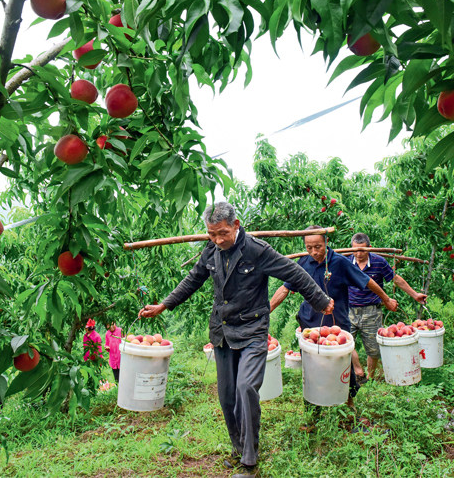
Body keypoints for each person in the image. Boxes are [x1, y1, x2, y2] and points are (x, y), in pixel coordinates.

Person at [139, 202, 334, 478]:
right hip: (222, 331)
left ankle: (250, 462)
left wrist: (320, 300)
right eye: (211, 234)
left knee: (246, 388)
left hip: (253, 330)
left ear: (236, 225)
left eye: (223, 233)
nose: (218, 240)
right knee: (227, 396)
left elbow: (294, 273)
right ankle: (238, 447)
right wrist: (164, 304)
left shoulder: (257, 250)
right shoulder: (211, 251)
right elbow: (193, 279)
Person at [269, 226, 398, 409]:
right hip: (310, 323)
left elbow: (367, 281)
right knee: (312, 365)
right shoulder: (303, 263)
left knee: (342, 364)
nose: (314, 252)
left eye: (318, 247)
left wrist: (386, 299)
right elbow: (285, 289)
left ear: (326, 242)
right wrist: (267, 310)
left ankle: (349, 403)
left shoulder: (339, 262)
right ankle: (313, 407)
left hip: (336, 323)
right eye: (309, 247)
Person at [348, 233, 427, 381]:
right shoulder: (346, 262)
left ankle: (370, 378)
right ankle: (358, 371)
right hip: (349, 309)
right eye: (355, 250)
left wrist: (415, 295)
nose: (358, 254)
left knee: (373, 348)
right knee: (346, 344)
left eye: (362, 250)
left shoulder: (379, 262)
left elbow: (395, 279)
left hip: (372, 311)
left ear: (370, 248)